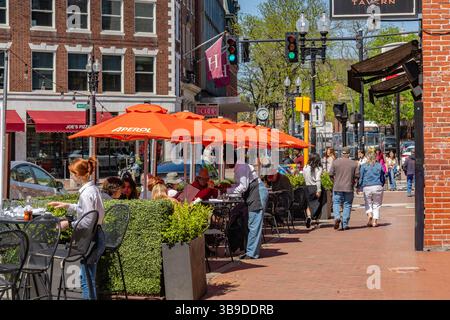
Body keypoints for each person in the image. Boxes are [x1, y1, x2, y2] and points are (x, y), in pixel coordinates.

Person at [48, 157, 105, 300]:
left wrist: (68, 223)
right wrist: (67, 205)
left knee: (86, 280)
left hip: (90, 238)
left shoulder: (86, 193)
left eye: (72, 173)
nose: (72, 176)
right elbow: (89, 212)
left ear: (79, 175)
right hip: (97, 236)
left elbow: (87, 220)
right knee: (87, 277)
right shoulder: (92, 189)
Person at [227, 161, 268, 259]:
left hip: (256, 194)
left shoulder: (241, 167)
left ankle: (252, 253)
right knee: (249, 223)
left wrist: (228, 191)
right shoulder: (239, 167)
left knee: (254, 223)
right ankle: (250, 250)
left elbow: (243, 186)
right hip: (253, 194)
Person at [329, 146, 360, 231]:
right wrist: (353, 183)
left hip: (337, 186)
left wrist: (334, 182)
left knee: (336, 203)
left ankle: (337, 217)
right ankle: (345, 224)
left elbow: (330, 174)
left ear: (342, 153)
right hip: (348, 187)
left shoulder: (336, 162)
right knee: (347, 204)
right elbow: (357, 176)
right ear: (349, 154)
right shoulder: (354, 163)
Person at [358, 152, 385, 227]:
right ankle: (375, 222)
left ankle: (369, 214)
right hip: (377, 185)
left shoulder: (363, 166)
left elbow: (361, 177)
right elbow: (383, 176)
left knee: (368, 202)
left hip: (367, 186)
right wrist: (382, 184)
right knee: (377, 204)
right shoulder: (379, 165)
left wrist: (359, 186)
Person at [302, 153, 323, 229]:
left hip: (307, 187)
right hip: (315, 187)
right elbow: (318, 179)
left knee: (308, 204)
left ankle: (309, 217)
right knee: (318, 204)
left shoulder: (305, 167)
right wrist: (319, 190)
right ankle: (317, 222)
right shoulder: (318, 168)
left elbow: (304, 176)